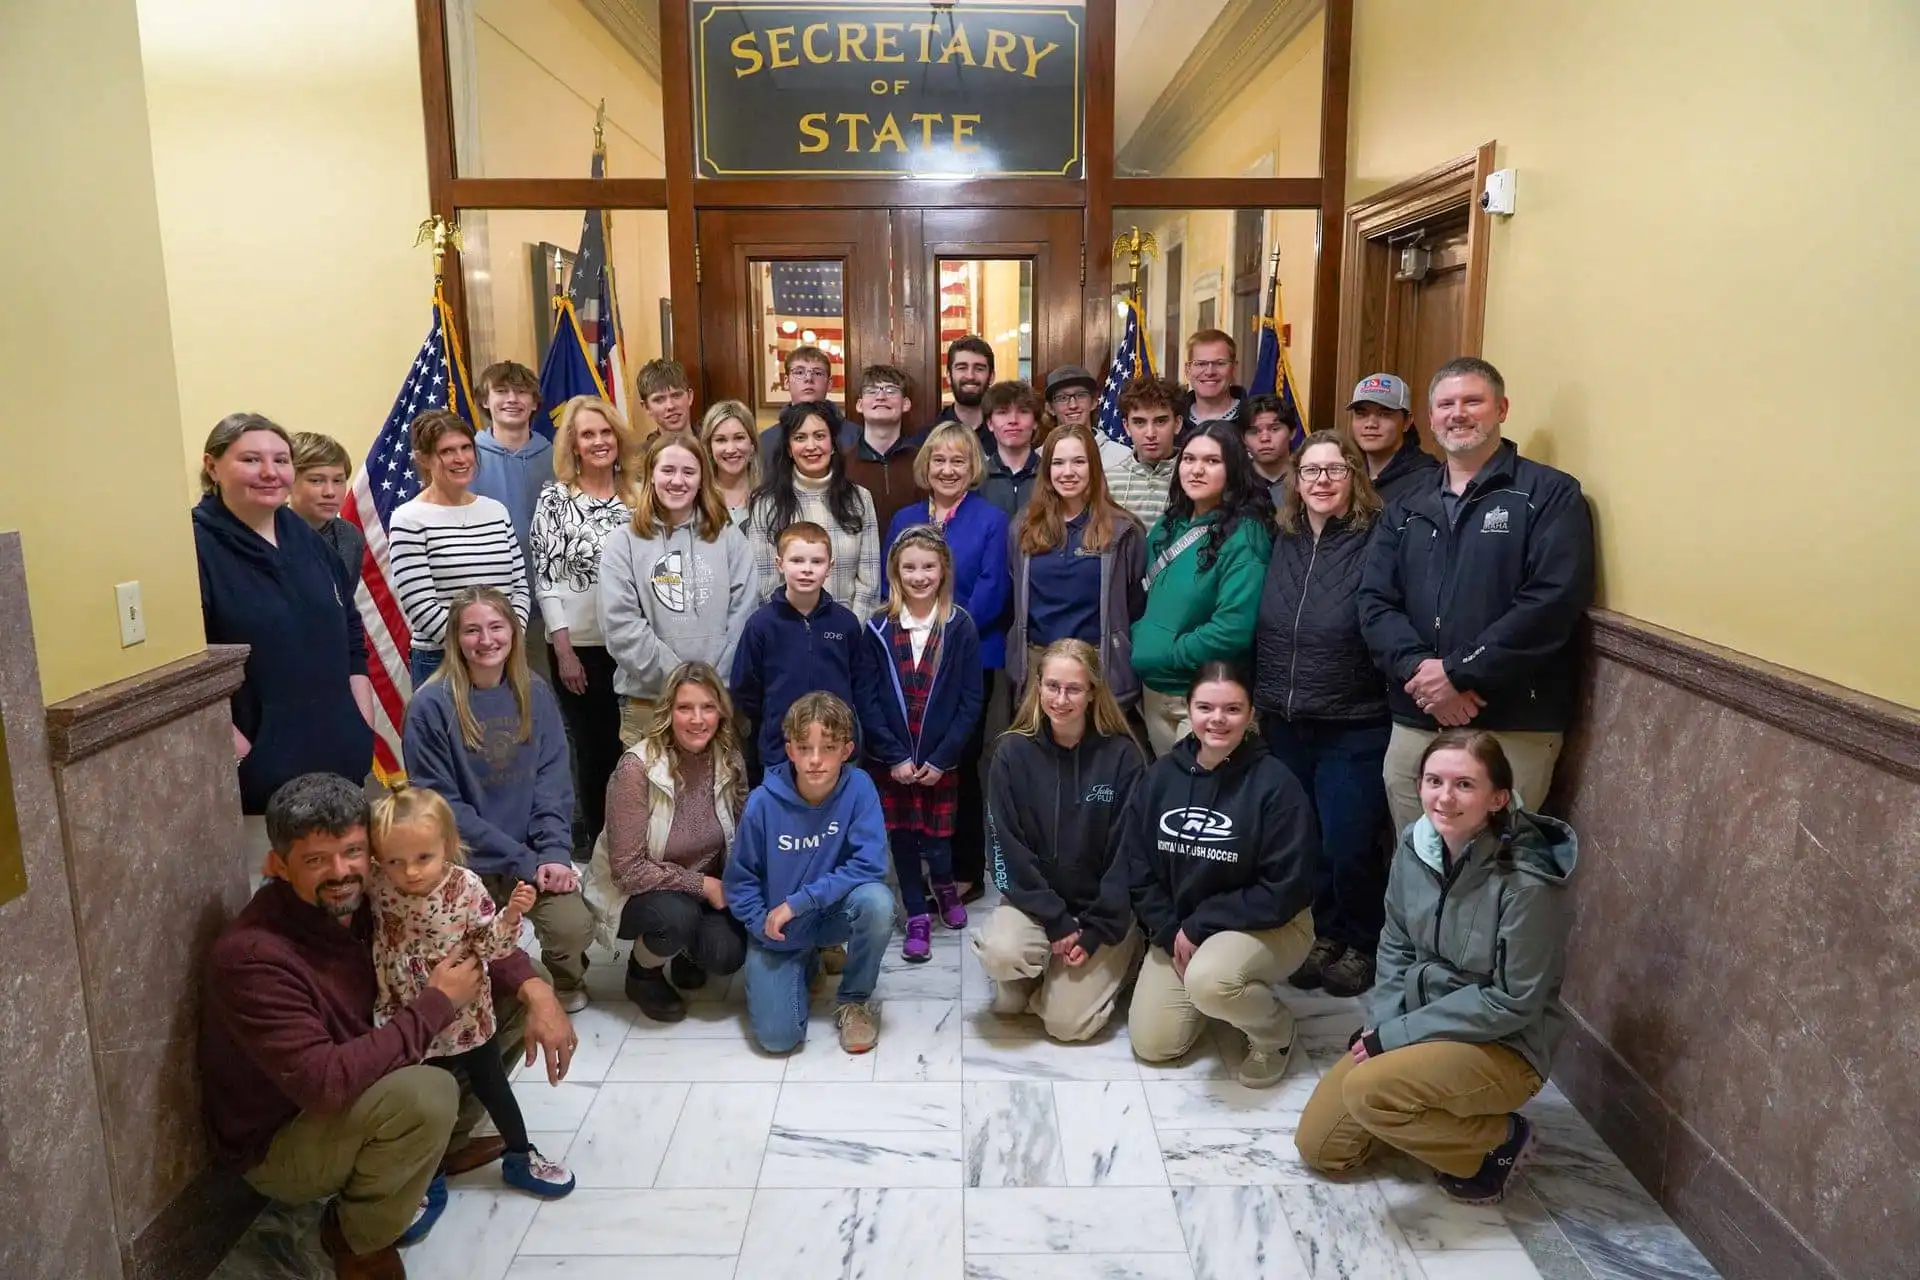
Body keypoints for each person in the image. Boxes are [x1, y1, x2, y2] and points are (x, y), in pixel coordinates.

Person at [200, 773, 577, 1279]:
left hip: (367, 1070)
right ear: (278, 863)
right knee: (427, 1093)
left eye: (352, 852)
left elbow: (467, 935)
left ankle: (438, 1151)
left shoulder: (371, 896)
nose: (340, 872)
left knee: (515, 995)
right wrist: (436, 1004)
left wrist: (539, 993)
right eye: (315, 859)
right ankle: (357, 1237)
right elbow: (326, 1085)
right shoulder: (254, 958)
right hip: (286, 1138)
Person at [1295, 730, 1576, 1205]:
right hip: (1420, 1020)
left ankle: (1500, 1140)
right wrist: (1382, 1023)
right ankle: (1420, 1106)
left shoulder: (1527, 881)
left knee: (1368, 1091)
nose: (1445, 797)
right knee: (1322, 1149)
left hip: (1504, 1042)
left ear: (1497, 797)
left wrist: (1397, 1039)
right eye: (1434, 781)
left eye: (1464, 784)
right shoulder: (1416, 843)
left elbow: (1513, 1000)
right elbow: (1396, 943)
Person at [1358, 357, 1595, 832]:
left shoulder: (1550, 495)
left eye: (1473, 401)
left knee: (1498, 869)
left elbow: (1550, 604)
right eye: (1446, 404)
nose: (1458, 413)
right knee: (1417, 861)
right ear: (1429, 418)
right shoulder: (1405, 505)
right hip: (1418, 714)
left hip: (1511, 720)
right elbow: (1374, 601)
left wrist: (1458, 674)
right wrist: (1425, 678)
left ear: (1502, 408)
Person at [366, 783, 574, 1198]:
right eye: (395, 861)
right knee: (426, 1105)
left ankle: (519, 1153)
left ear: (448, 844)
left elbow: (491, 946)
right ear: (377, 860)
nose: (410, 872)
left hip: (466, 1017)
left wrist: (511, 914)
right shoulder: (377, 884)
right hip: (408, 1017)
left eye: (423, 857)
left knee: (492, 1085)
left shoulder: (465, 887)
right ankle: (431, 1172)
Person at [1125, 663, 1319, 1088]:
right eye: (1206, 707)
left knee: (1211, 979)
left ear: (1251, 715)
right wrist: (1170, 929)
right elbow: (1137, 868)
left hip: (1272, 925)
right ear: (1189, 711)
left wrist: (1199, 925)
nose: (1218, 719)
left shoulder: (1276, 785)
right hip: (1184, 929)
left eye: (1232, 708)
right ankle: (1218, 995)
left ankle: (1275, 1032)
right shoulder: (1160, 778)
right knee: (1153, 1043)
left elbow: (1285, 889)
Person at [403, 587, 595, 1013]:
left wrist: (554, 855)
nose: (485, 640)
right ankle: (503, 976)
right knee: (478, 961)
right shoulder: (429, 706)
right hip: (465, 862)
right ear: (455, 638)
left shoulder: (535, 692)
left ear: (513, 631)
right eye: (472, 630)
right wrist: (524, 860)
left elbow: (553, 783)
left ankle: (566, 975)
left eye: (495, 627)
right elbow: (444, 809)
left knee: (573, 926)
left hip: (531, 855)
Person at [1254, 431, 1394, 999]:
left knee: (1349, 840)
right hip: (1285, 718)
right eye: (1310, 471)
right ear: (1295, 481)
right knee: (1305, 839)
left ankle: (1357, 941)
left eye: (1334, 470)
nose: (1321, 481)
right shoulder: (1281, 537)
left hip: (1352, 717)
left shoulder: (1376, 537)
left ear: (1354, 477)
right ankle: (1317, 937)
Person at [194, 414, 374, 838]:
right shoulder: (196, 548)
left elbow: (350, 632)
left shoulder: (309, 539)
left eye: (281, 459)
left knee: (343, 890)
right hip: (262, 780)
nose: (270, 472)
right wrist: (243, 753)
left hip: (341, 761)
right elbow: (191, 673)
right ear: (212, 466)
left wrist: (360, 723)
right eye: (251, 459)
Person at [973, 639, 1145, 1041]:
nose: (1060, 699)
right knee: (1001, 959)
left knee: (1066, 1025)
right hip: (1037, 906)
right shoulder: (1011, 753)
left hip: (1102, 913)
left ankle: (1120, 959)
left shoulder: (1123, 758)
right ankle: (1045, 970)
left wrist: (1095, 929)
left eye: (1073, 689)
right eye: (1052, 686)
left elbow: (1129, 857)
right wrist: (1055, 921)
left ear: (1093, 693)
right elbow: (1005, 850)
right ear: (1038, 685)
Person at [726, 693, 893, 1055]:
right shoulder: (762, 803)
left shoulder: (860, 788)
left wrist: (800, 903)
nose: (815, 760)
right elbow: (740, 883)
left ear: (846, 749)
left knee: (878, 903)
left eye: (828, 748)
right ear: (790, 751)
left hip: (827, 912)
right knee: (777, 1040)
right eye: (804, 748)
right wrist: (763, 926)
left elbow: (870, 865)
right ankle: (808, 960)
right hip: (780, 928)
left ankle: (853, 999)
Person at [584, 662, 750, 1023]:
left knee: (727, 954)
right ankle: (644, 973)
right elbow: (627, 871)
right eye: (685, 708)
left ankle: (685, 952)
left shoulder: (729, 758)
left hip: (703, 889)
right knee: (676, 917)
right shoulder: (636, 768)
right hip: (635, 892)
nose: (697, 719)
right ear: (668, 712)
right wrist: (702, 885)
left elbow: (744, 836)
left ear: (721, 711)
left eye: (708, 707)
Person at [884, 421, 1010, 897]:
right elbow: (889, 587)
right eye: (939, 460)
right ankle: (916, 872)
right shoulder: (905, 519)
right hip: (908, 662)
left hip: (970, 657)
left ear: (973, 466)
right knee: (911, 764)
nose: (948, 469)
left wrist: (945, 637)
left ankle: (962, 872)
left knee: (959, 762)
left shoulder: (992, 519)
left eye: (959, 460)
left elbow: (994, 589)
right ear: (926, 466)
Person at [858, 526, 985, 963]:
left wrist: (944, 755)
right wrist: (892, 755)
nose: (919, 575)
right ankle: (916, 910)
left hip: (938, 758)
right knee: (903, 837)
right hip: (892, 758)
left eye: (928, 566)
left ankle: (945, 883)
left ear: (943, 569)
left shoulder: (960, 625)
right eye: (909, 567)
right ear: (895, 570)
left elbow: (971, 700)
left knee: (937, 836)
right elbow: (868, 697)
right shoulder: (877, 626)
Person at [530, 395, 640, 855]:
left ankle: (638, 846)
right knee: (595, 753)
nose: (598, 441)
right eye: (587, 434)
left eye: (605, 432)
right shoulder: (556, 498)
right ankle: (600, 849)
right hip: (581, 650)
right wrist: (563, 649)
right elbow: (546, 576)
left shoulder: (639, 494)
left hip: (635, 645)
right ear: (573, 444)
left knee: (633, 752)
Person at [599, 431, 756, 747]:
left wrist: (708, 688)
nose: (677, 480)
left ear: (702, 480)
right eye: (667, 470)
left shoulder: (729, 538)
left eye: (688, 471)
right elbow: (621, 628)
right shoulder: (623, 542)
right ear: (651, 476)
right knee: (649, 796)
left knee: (719, 796)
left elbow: (745, 617)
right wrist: (682, 686)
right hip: (648, 705)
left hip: (718, 702)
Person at [1131, 420, 1274, 757]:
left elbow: (1234, 629)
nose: (1196, 470)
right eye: (1189, 459)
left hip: (1205, 696)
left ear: (1234, 469)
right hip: (1153, 693)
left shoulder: (1246, 535)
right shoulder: (1169, 525)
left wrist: (1167, 653)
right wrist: (1141, 638)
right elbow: (1143, 598)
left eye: (1212, 461)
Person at [1005, 423, 1145, 710]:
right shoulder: (1023, 526)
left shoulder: (1123, 531)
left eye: (1079, 461)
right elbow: (1014, 590)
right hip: (1037, 661)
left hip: (1097, 662)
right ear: (1047, 471)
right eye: (1058, 463)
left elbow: (1134, 606)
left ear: (1093, 466)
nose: (1068, 472)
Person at [387, 409, 530, 686]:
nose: (461, 458)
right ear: (424, 458)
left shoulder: (495, 511)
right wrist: (478, 648)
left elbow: (520, 588)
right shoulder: (408, 518)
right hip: (442, 659)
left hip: (505, 657)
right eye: (447, 451)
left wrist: (506, 641)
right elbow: (421, 605)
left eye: (466, 448)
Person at [731, 522, 868, 778]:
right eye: (796, 560)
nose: (807, 569)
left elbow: (861, 684)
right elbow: (745, 688)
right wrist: (774, 719)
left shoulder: (845, 623)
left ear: (830, 566)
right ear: (779, 564)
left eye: (817, 561)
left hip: (836, 750)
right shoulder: (761, 624)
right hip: (779, 751)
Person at [745, 400, 881, 619]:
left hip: (848, 636)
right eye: (800, 438)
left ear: (833, 444)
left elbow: (869, 584)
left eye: (819, 436)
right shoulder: (765, 503)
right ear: (789, 449)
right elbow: (765, 585)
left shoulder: (859, 499)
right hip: (787, 634)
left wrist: (851, 631)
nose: (811, 446)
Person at [471, 360, 556, 603]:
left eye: (521, 392)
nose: (512, 399)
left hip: (549, 597)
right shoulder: (468, 458)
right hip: (488, 598)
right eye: (501, 391)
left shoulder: (556, 458)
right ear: (485, 401)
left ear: (534, 402)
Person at [843, 363, 927, 534]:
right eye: (871, 391)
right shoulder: (841, 464)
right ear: (859, 405)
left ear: (905, 404)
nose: (881, 397)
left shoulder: (924, 462)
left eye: (890, 390)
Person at [1097, 375, 1181, 530]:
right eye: (1139, 422)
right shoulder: (1107, 481)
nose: (1150, 433)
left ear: (1177, 424)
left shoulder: (1192, 476)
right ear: (1127, 427)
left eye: (1160, 421)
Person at [1347, 372, 1439, 508]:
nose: (1371, 424)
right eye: (1361, 414)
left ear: (1407, 422)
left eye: (1384, 414)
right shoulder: (1345, 474)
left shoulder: (1428, 481)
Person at [288, 430, 367, 579]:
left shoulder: (350, 537)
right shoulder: (265, 532)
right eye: (316, 480)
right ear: (288, 482)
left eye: (338, 481)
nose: (330, 492)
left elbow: (345, 599)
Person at [758, 345, 853, 463]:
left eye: (817, 373)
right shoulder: (765, 441)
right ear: (786, 382)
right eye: (799, 372)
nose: (808, 378)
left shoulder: (854, 437)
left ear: (829, 383)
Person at [978, 379, 1042, 518]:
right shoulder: (976, 479)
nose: (1013, 420)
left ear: (1035, 422)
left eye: (1023, 411)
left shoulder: (1051, 475)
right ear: (990, 423)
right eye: (1003, 412)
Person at [700, 399, 760, 527]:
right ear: (709, 448)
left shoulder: (769, 497)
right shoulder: (697, 499)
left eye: (739, 438)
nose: (731, 449)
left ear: (752, 444)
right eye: (721, 440)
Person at [935, 334, 994, 450]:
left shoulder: (1006, 436)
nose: (970, 376)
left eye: (979, 368)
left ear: (991, 376)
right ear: (948, 376)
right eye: (961, 368)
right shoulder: (928, 439)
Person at [1179, 329, 1246, 431]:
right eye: (1201, 364)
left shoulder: (1254, 421)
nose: (1210, 372)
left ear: (1234, 369)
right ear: (1187, 370)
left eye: (1220, 363)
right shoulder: (1171, 421)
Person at [1241, 393, 1294, 507]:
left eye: (1274, 429)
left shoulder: (1308, 479)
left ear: (1292, 432)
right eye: (1254, 432)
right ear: (1243, 439)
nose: (1265, 438)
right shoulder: (1233, 484)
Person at [636, 357, 695, 440]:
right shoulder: (644, 453)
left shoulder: (714, 444)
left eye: (676, 395)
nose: (670, 406)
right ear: (646, 407)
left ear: (690, 397)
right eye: (659, 400)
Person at [1043, 364, 1100, 431]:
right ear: (1050, 408)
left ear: (1094, 401)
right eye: (1063, 398)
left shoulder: (1110, 442)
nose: (1073, 405)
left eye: (1080, 395)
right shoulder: (1047, 442)